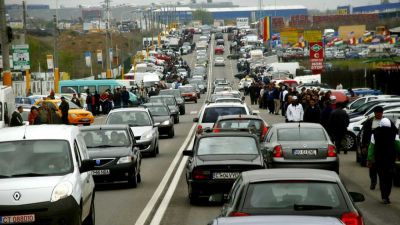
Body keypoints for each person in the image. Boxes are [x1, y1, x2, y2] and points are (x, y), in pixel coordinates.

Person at [367, 118, 400, 204]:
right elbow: (398, 146)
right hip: (390, 160)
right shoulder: (394, 134)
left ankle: (384, 196)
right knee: (389, 178)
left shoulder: (374, 134)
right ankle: (387, 195)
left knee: (382, 178)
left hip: (379, 160)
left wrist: (370, 159)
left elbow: (371, 147)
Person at [361, 106, 385, 190]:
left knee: (382, 167)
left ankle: (383, 183)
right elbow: (365, 134)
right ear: (374, 113)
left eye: (380, 113)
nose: (379, 114)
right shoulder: (369, 122)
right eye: (377, 113)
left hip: (383, 148)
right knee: (372, 166)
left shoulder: (386, 122)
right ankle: (373, 182)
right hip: (371, 146)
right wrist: (364, 146)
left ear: (382, 113)